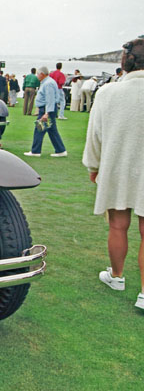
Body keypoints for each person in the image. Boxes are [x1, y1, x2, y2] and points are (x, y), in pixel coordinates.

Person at [82, 38, 144, 311]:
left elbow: (95, 136)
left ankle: (117, 276)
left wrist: (94, 167)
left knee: (118, 224)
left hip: (118, 165)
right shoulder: (108, 91)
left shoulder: (108, 93)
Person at [24, 66, 67, 157]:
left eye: (38, 74)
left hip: (46, 109)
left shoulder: (48, 83)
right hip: (47, 109)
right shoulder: (47, 82)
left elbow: (50, 99)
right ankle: (61, 150)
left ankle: (35, 151)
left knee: (39, 129)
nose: (37, 76)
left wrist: (46, 113)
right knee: (52, 130)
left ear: (42, 74)